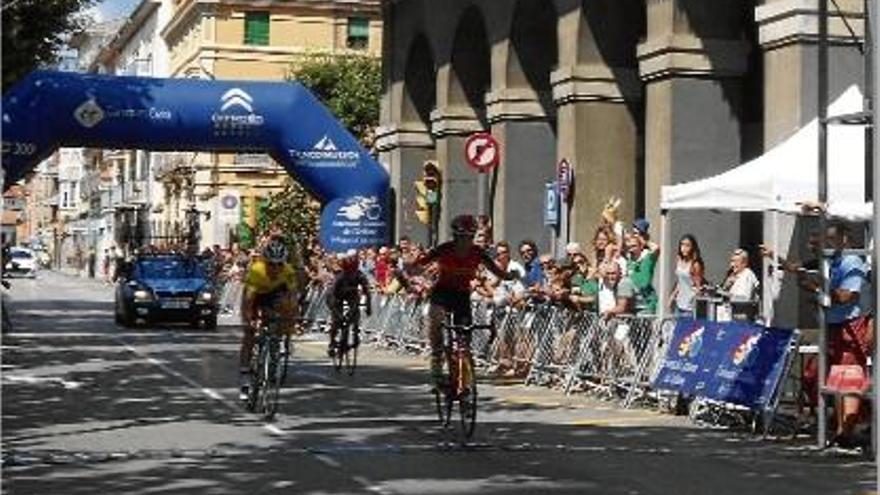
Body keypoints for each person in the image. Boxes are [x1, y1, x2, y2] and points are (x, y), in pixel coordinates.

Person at [402, 214, 518, 385]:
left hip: (461, 295)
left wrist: (510, 275)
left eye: (469, 237)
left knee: (464, 334)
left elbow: (497, 271)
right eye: (462, 237)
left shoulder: (478, 252)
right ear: (455, 236)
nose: (466, 241)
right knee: (435, 320)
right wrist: (410, 266)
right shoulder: (444, 249)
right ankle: (436, 358)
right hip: (442, 292)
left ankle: (464, 363)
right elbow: (421, 264)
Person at [823, 223, 872, 446]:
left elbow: (848, 296)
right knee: (840, 376)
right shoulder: (835, 261)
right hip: (836, 323)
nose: (828, 242)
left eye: (833, 238)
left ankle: (847, 431)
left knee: (850, 375)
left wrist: (822, 292)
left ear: (845, 238)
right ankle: (841, 429)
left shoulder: (852, 261)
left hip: (850, 323)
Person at [239, 238, 300, 401]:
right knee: (249, 334)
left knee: (283, 310)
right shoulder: (256, 271)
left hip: (275, 295)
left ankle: (274, 346)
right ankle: (245, 375)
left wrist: (292, 320)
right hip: (256, 296)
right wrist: (248, 320)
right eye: (271, 264)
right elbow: (248, 301)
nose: (275, 268)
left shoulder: (288, 271)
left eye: (279, 264)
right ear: (265, 262)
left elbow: (293, 298)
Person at [326, 250, 372, 357]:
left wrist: (369, 307)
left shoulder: (359, 275)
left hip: (351, 295)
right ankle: (332, 342)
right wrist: (338, 314)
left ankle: (355, 334)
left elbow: (367, 292)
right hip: (336, 296)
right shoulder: (340, 277)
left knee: (355, 313)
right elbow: (333, 296)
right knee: (336, 321)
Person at [625, 219, 660, 315]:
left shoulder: (647, 256)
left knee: (645, 329)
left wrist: (643, 239)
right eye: (630, 246)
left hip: (646, 304)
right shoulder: (629, 259)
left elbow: (656, 248)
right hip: (633, 304)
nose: (631, 248)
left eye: (634, 246)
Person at [669, 234, 706, 317]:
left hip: (690, 306)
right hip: (679, 302)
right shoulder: (679, 260)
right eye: (682, 244)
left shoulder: (695, 264)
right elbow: (679, 281)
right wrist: (672, 296)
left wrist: (696, 300)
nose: (684, 248)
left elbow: (698, 286)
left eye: (687, 245)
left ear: (692, 247)